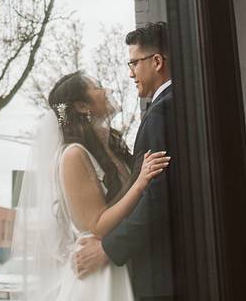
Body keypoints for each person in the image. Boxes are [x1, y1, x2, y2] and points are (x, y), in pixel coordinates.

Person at [12, 70, 170, 301]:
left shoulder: (110, 146)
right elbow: (97, 225)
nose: (108, 90)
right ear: (82, 106)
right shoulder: (73, 155)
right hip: (97, 277)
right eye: (97, 87)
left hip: (120, 265)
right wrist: (140, 183)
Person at [74, 22, 176, 301]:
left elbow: (159, 198)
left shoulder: (162, 112)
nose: (130, 73)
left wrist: (108, 249)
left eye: (134, 63)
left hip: (161, 275)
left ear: (157, 61)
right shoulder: (168, 106)